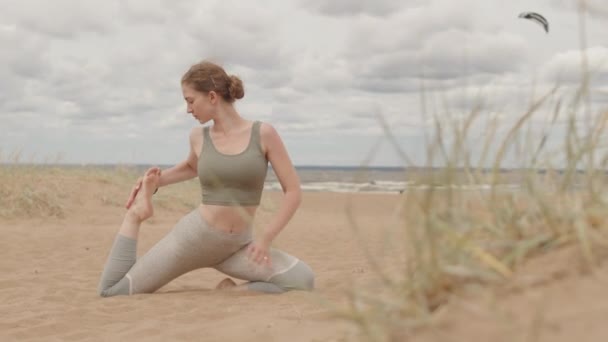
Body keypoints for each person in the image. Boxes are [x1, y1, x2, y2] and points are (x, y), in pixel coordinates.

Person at [97, 60, 315, 297]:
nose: (188, 110)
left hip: (238, 246)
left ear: (212, 97)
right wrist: (154, 183)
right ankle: (134, 217)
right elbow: (192, 167)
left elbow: (293, 191)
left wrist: (265, 238)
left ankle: (229, 293)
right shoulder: (199, 137)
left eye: (190, 101)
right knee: (113, 290)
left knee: (302, 279)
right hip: (194, 241)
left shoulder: (264, 134)